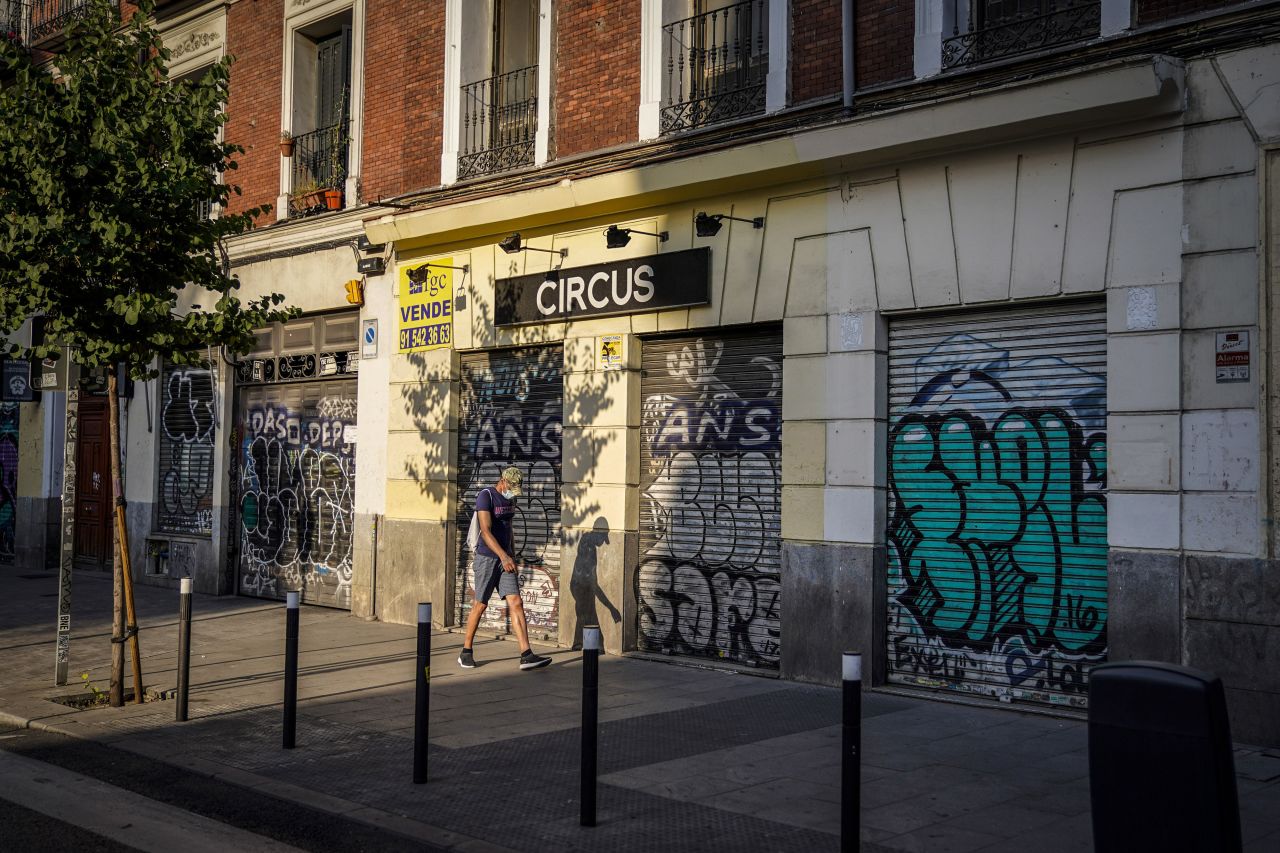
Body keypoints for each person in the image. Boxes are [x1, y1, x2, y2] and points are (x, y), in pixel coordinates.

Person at [458, 465, 552, 671]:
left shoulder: (511, 498)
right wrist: (503, 556)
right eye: (511, 488)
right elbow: (485, 530)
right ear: (503, 481)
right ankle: (466, 651)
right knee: (480, 604)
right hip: (487, 558)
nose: (513, 493)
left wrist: (513, 556)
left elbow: (509, 529)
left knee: (516, 602)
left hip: (506, 559)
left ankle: (526, 655)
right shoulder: (486, 496)